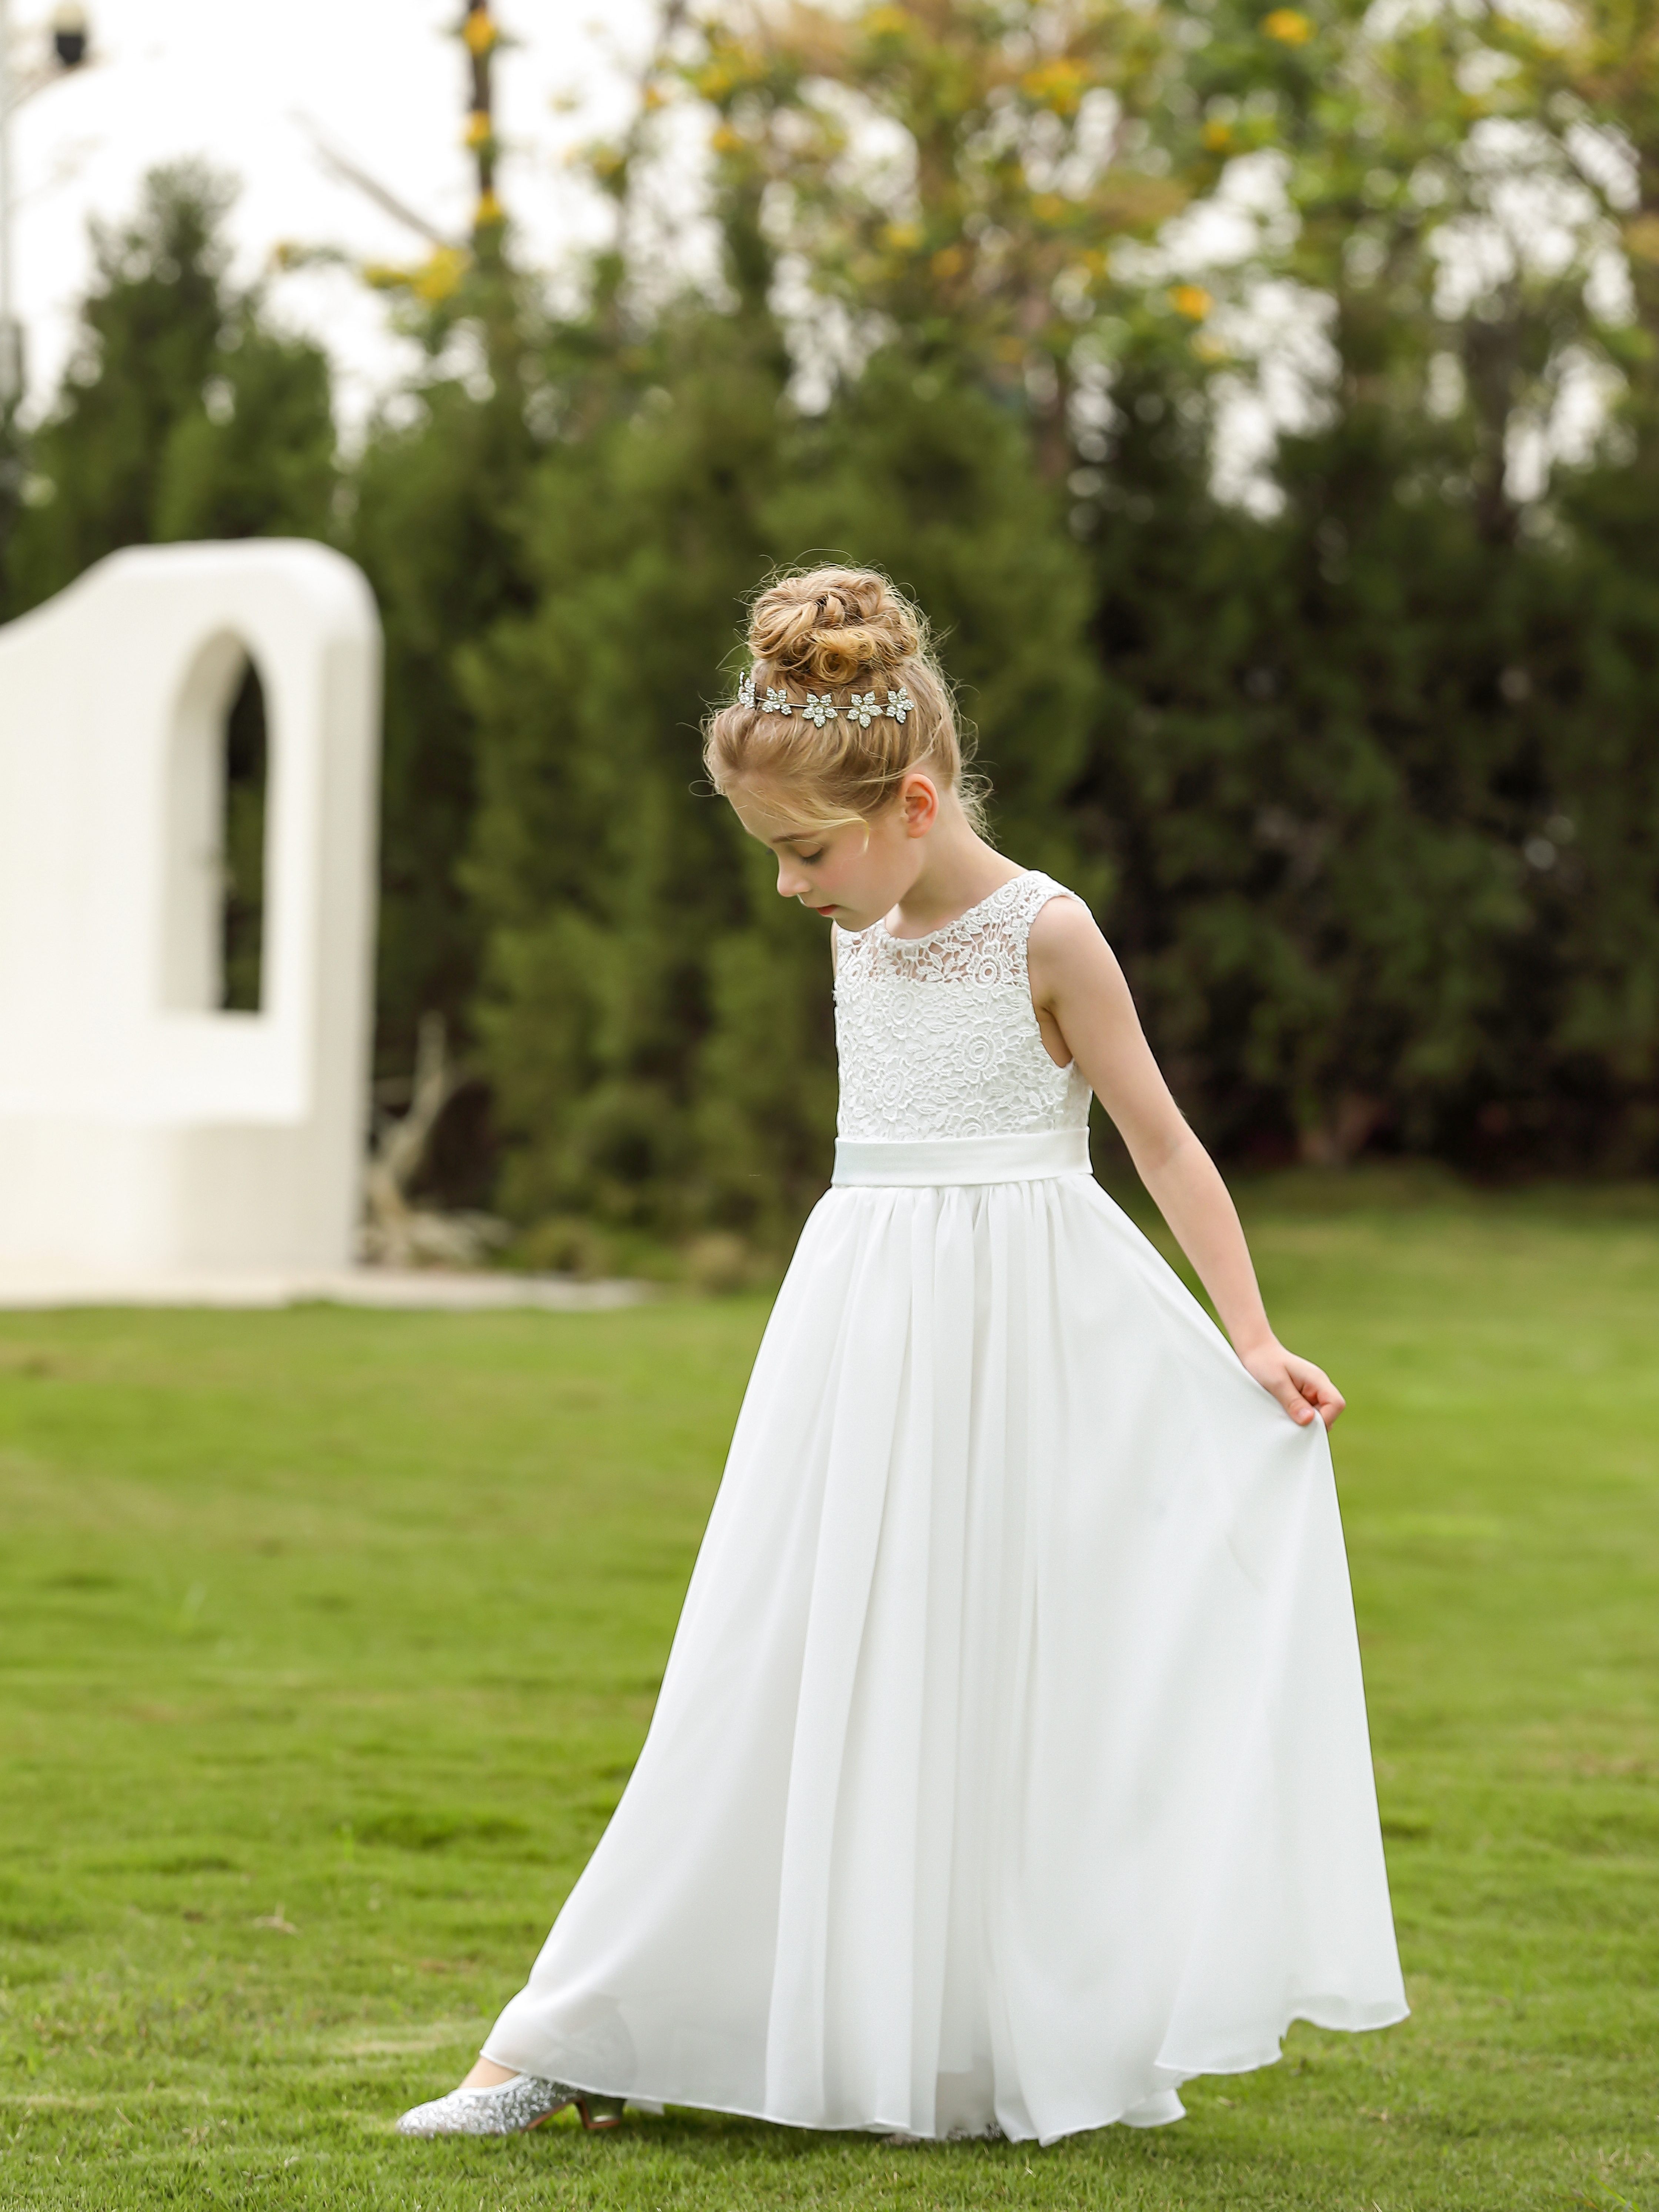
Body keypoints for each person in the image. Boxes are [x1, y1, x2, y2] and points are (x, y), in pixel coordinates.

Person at [396, 565, 1406, 2147]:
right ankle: (569, 2031)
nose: (792, 888)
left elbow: (1161, 1142)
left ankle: (970, 2041)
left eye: (805, 852)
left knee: (996, 1669)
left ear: (912, 802)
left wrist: (1253, 1336)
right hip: (865, 1321)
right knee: (772, 1652)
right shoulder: (858, 932)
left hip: (1026, 1333)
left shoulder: (1048, 936)